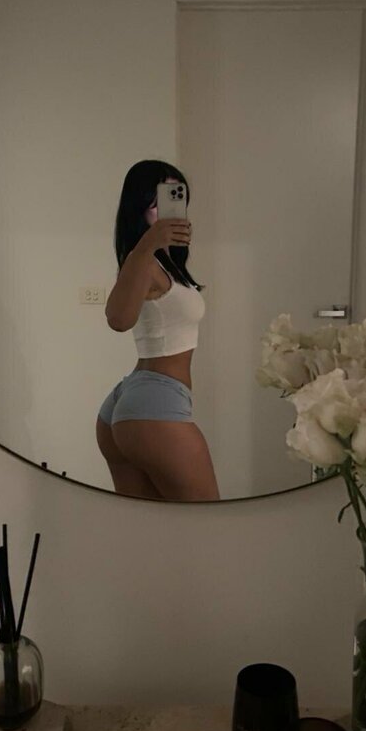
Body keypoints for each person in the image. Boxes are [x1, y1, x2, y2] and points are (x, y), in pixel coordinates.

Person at [96, 160, 219, 501]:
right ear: (138, 207)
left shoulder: (163, 264)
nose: (169, 212)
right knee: (209, 522)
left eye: (176, 199)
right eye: (156, 203)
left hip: (136, 400)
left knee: (149, 526)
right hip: (154, 403)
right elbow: (118, 319)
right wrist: (147, 245)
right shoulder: (143, 262)